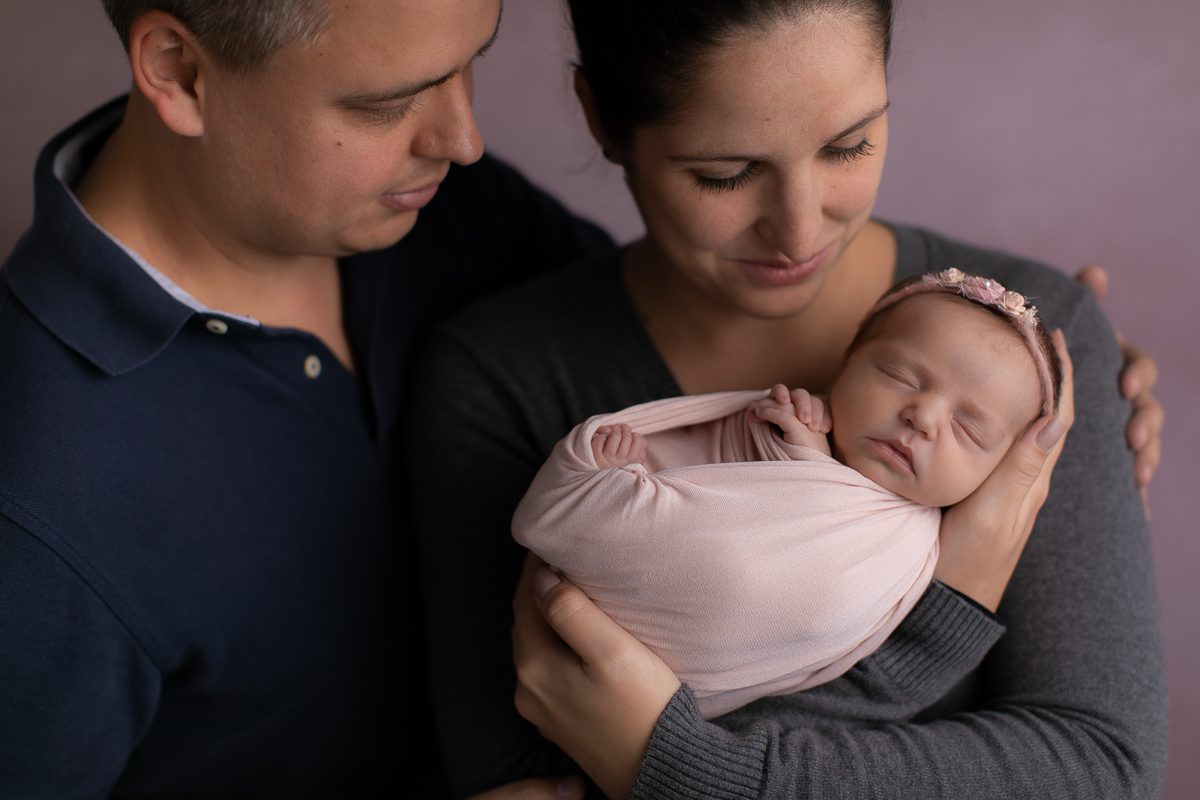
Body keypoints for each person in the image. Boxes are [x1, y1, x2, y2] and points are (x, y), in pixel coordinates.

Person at [406, 0, 1169, 797]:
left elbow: (1103, 767)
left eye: (849, 145)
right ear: (603, 118)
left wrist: (693, 771)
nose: (800, 233)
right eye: (724, 173)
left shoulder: (1040, 349)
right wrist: (936, 628)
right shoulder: (502, 379)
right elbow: (520, 783)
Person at [0, 0, 609, 797]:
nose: (462, 140)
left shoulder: (426, 204)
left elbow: (663, 346)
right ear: (180, 73)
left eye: (470, 63)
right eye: (388, 103)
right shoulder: (33, 508)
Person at [513, 270, 1064, 720]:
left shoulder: (916, 550)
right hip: (601, 593)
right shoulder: (793, 419)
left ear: (998, 468)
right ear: (846, 363)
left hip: (670, 704)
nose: (922, 417)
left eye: (968, 429)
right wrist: (792, 446)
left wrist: (813, 469)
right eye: (901, 376)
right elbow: (713, 467)